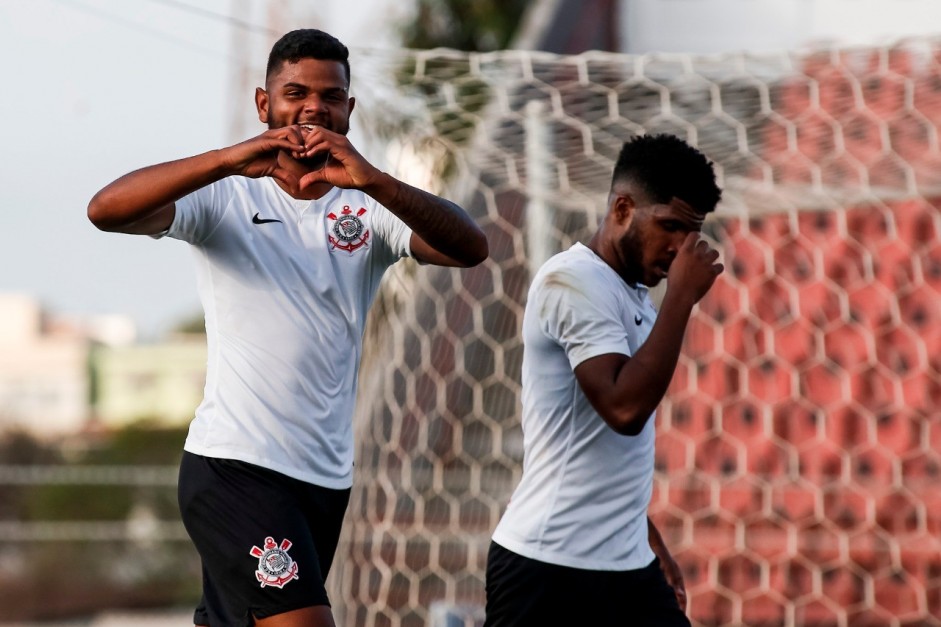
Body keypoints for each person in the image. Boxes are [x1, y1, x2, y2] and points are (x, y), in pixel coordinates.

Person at [88, 29, 487, 627]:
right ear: (263, 103)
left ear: (349, 110)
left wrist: (375, 179)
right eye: (295, 92)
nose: (312, 108)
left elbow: (470, 248)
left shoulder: (369, 205)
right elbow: (105, 209)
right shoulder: (221, 196)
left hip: (324, 479)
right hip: (238, 468)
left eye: (330, 97)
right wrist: (228, 158)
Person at [484, 134, 723, 627]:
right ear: (621, 208)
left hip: (625, 565)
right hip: (549, 570)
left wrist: (646, 538)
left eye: (691, 233)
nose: (680, 249)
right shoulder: (571, 281)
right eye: (670, 226)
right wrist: (680, 298)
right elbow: (623, 411)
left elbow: (607, 455)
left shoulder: (629, 291)